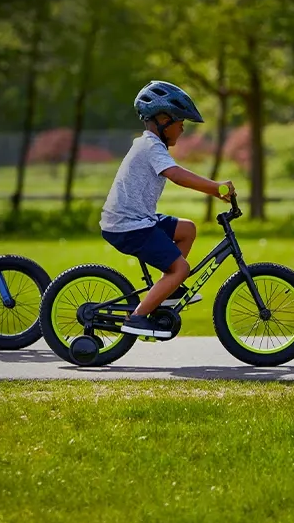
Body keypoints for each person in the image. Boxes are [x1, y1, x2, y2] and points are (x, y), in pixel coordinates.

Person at [99, 80, 236, 338]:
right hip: (128, 225)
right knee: (181, 269)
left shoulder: (151, 144)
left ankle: (168, 290)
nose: (183, 129)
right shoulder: (150, 145)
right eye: (180, 122)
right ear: (163, 119)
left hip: (140, 220)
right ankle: (138, 317)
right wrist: (216, 188)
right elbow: (175, 175)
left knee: (187, 230)